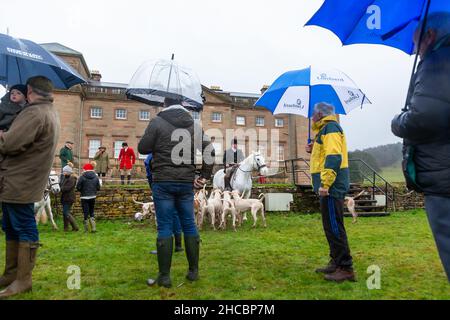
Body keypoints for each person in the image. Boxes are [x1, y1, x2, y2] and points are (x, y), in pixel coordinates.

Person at [391, 12, 450, 281]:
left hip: (443, 179)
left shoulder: (438, 60)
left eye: (416, 41)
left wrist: (399, 120)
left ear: (430, 35)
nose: (415, 49)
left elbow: (425, 117)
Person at [138, 97, 214, 288]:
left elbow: (143, 148)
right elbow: (209, 151)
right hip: (186, 182)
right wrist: (204, 176)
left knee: (164, 227)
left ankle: (164, 277)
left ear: (164, 104)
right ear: (183, 105)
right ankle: (193, 272)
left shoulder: (157, 121)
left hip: (163, 181)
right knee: (189, 224)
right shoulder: (193, 124)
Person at [0, 76, 60, 298]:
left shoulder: (34, 112)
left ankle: (23, 280)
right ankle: (11, 274)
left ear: (29, 90)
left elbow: (11, 144)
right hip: (21, 178)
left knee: (23, 225)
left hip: (20, 179)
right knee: (10, 224)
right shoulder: (49, 110)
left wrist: (2, 135)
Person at [305, 102, 354, 283]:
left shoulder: (331, 128)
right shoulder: (325, 130)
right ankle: (336, 261)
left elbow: (333, 157)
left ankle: (345, 267)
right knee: (330, 225)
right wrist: (313, 149)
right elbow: (326, 154)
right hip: (328, 186)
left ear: (319, 114)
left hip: (331, 187)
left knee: (334, 226)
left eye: (313, 113)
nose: (311, 116)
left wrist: (325, 184)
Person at [144, 153, 183, 254]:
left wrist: (152, 186)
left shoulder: (154, 153)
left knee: (163, 217)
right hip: (178, 184)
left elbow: (148, 167)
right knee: (175, 214)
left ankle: (163, 247)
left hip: (161, 185)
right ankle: (178, 245)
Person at [76, 163, 101, 233]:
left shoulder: (82, 177)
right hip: (93, 196)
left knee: (85, 212)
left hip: (84, 197)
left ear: (85, 169)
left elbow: (78, 187)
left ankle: (86, 229)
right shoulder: (96, 177)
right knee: (92, 211)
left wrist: (81, 190)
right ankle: (93, 228)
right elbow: (98, 187)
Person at [60, 165, 79, 232]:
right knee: (65, 213)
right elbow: (61, 185)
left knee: (66, 212)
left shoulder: (72, 179)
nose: (63, 173)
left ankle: (75, 227)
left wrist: (60, 188)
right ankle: (66, 228)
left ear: (68, 172)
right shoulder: (66, 178)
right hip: (65, 198)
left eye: (64, 171)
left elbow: (66, 188)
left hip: (69, 198)